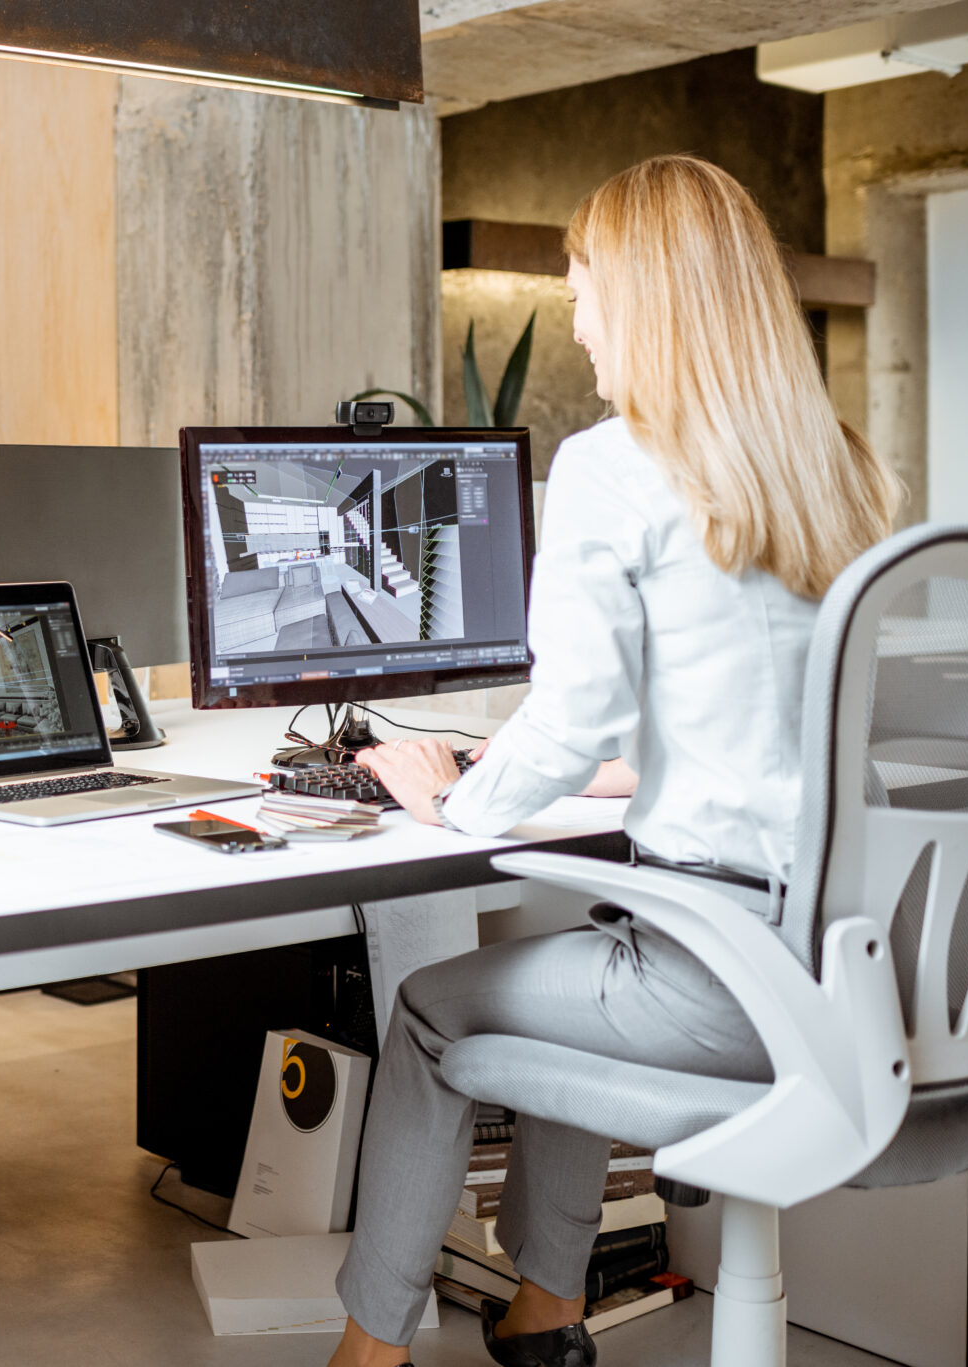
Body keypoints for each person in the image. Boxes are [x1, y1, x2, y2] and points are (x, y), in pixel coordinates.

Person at [326, 155, 903, 1367]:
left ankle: (365, 1353)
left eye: (582, 284)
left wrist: (450, 795)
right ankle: (542, 1312)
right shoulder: (840, 468)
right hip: (862, 975)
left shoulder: (609, 461)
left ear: (639, 296)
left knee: (435, 1009)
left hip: (724, 983)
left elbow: (570, 715)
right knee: (578, 960)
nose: (577, 319)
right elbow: (780, 712)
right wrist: (640, 774)